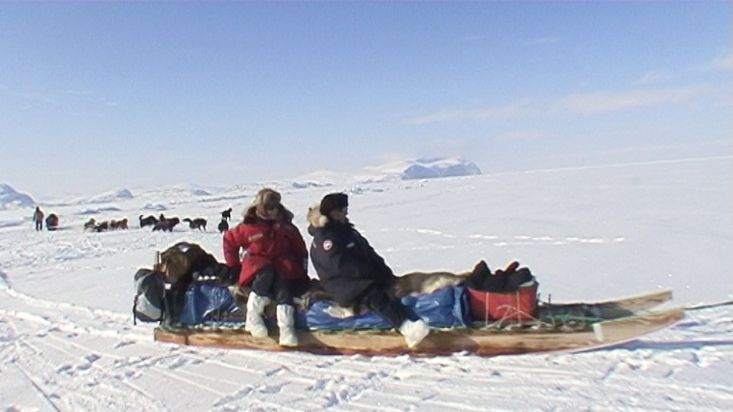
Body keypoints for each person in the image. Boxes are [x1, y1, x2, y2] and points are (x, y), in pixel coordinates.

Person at [307, 193, 430, 348]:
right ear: (333, 213)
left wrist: (386, 274)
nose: (346, 213)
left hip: (358, 278)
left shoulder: (346, 231)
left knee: (392, 289)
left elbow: (369, 253)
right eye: (343, 210)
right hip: (342, 285)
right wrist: (374, 277)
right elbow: (342, 267)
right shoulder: (326, 239)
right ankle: (407, 327)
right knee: (376, 296)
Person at [222, 188, 309, 347]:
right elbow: (229, 241)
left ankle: (286, 327)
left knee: (283, 288)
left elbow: (300, 250)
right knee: (265, 273)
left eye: (275, 206)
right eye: (269, 207)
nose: (274, 210)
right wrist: (233, 266)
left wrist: (302, 273)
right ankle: (253, 316)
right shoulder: (248, 227)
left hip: (282, 267)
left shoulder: (286, 227)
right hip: (257, 267)